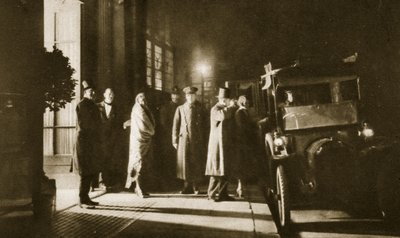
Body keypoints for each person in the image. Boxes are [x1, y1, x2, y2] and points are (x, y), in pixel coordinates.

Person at [172, 86, 207, 194]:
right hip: (184, 140)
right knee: (185, 163)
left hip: (197, 139)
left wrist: (205, 139)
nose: (191, 97)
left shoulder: (201, 108)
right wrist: (174, 140)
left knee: (196, 162)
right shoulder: (180, 109)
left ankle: (196, 186)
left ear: (195, 96)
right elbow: (175, 125)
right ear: (186, 97)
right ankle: (187, 187)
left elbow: (206, 125)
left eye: (192, 95)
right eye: (188, 95)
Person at [205, 87, 236, 202]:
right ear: (224, 100)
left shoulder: (226, 108)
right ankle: (211, 194)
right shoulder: (215, 109)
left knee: (225, 170)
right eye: (228, 100)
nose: (229, 102)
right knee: (216, 171)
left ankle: (223, 194)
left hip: (225, 144)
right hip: (217, 145)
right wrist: (232, 106)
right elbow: (222, 116)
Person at [73, 80, 100, 208]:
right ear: (85, 93)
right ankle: (82, 199)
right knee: (84, 171)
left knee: (90, 171)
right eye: (90, 91)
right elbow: (84, 124)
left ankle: (86, 197)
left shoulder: (92, 105)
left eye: (94, 91)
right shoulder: (82, 105)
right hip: (84, 142)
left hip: (92, 142)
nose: (93, 93)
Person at [125, 92, 155, 198]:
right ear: (137, 100)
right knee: (138, 164)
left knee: (144, 164)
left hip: (145, 140)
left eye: (144, 99)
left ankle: (141, 188)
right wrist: (151, 131)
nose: (143, 100)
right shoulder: (138, 110)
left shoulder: (145, 109)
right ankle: (139, 188)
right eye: (141, 99)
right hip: (138, 141)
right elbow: (142, 125)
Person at [97, 88, 119, 192]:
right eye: (109, 94)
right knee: (100, 160)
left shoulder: (116, 108)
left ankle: (108, 181)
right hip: (100, 139)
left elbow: (118, 124)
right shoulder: (98, 106)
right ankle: (101, 182)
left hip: (112, 139)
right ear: (104, 95)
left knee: (110, 160)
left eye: (112, 94)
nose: (110, 96)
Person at [159, 86, 181, 189]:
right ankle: (169, 183)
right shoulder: (165, 108)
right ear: (171, 96)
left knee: (179, 160)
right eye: (174, 94)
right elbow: (164, 124)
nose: (175, 96)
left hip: (180, 137)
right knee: (169, 160)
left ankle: (179, 181)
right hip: (167, 138)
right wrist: (173, 135)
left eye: (177, 95)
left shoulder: (182, 107)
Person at [233, 95, 255, 198]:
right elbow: (243, 128)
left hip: (245, 144)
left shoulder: (245, 112)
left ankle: (241, 188)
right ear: (242, 103)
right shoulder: (239, 113)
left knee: (244, 166)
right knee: (241, 166)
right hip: (241, 144)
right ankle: (240, 188)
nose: (248, 104)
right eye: (247, 102)